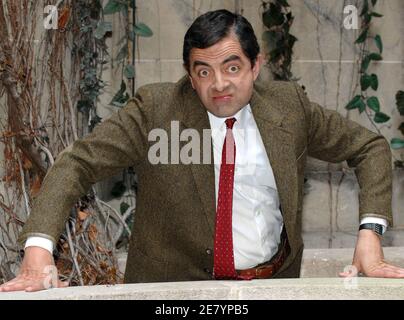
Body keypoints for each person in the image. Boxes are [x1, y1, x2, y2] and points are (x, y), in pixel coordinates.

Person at [1, 9, 404, 292]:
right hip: (171, 296)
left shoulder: (289, 108)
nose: (219, 85)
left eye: (232, 68)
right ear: (190, 77)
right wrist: (38, 249)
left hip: (270, 286)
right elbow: (77, 163)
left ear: (255, 66)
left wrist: (370, 234)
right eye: (204, 72)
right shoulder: (156, 110)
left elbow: (369, 146)